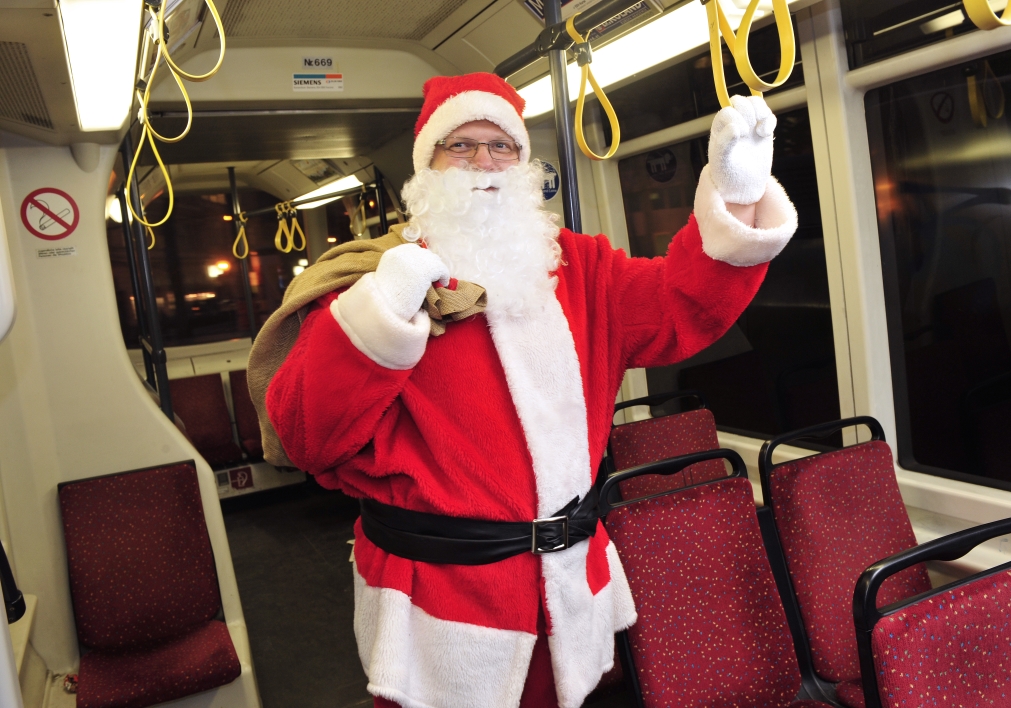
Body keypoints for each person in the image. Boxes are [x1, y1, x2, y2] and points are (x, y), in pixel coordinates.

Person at [265, 72, 796, 708]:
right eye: (459, 146)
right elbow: (306, 435)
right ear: (425, 167)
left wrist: (738, 197)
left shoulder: (582, 268)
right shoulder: (377, 284)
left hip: (570, 580)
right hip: (440, 595)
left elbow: (678, 304)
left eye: (502, 146)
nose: (483, 163)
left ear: (524, 163)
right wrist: (379, 313)